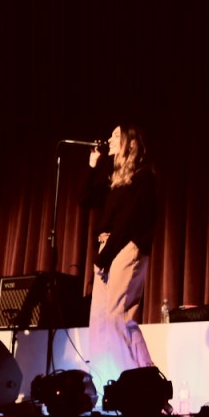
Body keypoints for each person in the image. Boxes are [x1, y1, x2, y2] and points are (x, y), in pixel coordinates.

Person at [80, 124, 158, 389]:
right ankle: (107, 386)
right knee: (100, 322)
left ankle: (143, 385)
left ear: (130, 143)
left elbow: (128, 222)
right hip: (107, 247)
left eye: (116, 135)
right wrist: (93, 166)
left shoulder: (143, 177)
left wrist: (105, 257)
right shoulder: (114, 181)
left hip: (125, 247)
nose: (109, 139)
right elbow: (85, 199)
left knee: (119, 317)